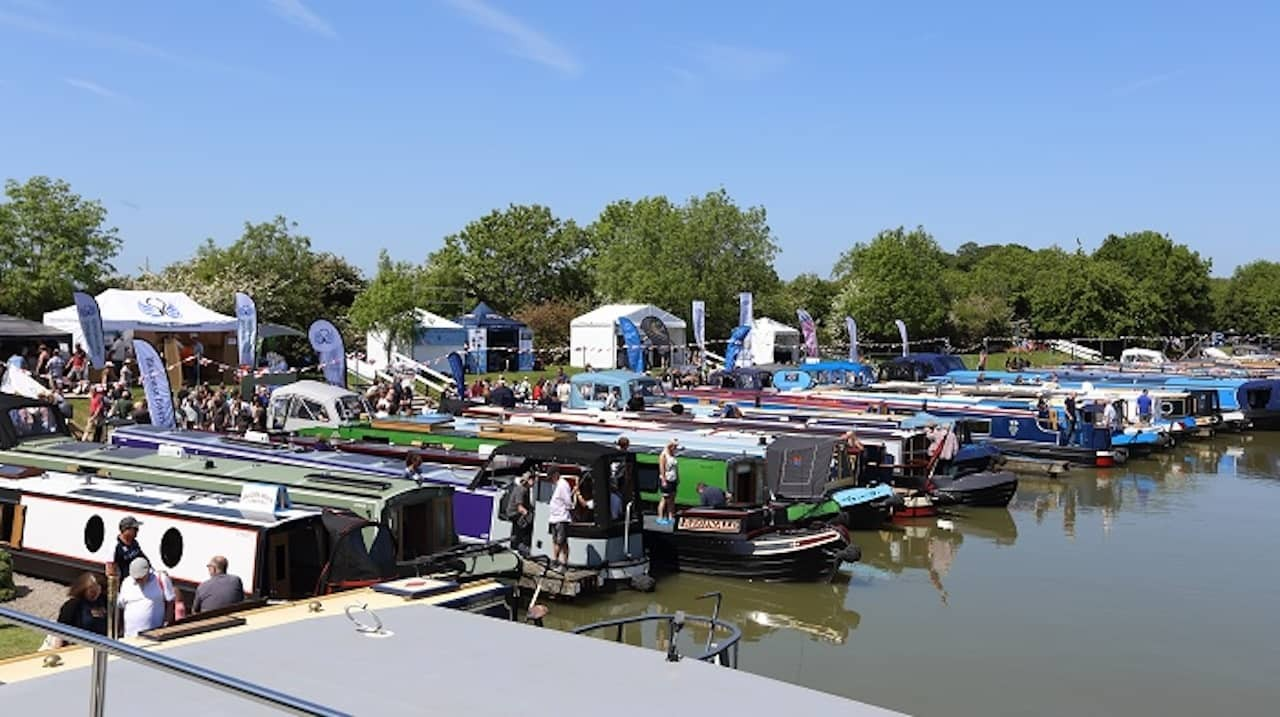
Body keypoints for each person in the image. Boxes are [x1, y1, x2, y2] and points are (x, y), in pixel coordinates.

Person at [117, 557, 175, 637]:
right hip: (130, 636)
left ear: (148, 572)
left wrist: (167, 624)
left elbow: (170, 601)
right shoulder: (126, 582)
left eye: (141, 578)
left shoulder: (161, 579)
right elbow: (121, 607)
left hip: (154, 635)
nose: (138, 580)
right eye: (136, 578)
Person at [52, 572, 108, 645]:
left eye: (98, 591)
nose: (95, 594)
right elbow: (60, 631)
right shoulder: (72, 605)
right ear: (83, 589)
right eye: (92, 592)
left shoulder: (104, 601)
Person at [546, 467, 574, 568]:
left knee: (560, 541)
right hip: (554, 518)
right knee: (557, 541)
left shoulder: (563, 485)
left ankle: (555, 560)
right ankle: (564, 562)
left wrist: (568, 508)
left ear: (556, 474)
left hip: (561, 517)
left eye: (551, 477)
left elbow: (568, 502)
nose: (551, 480)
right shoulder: (557, 485)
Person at [503, 472, 535, 554]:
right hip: (513, 513)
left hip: (518, 512)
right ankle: (521, 546)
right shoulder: (521, 489)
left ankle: (522, 545)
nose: (534, 481)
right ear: (528, 480)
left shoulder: (526, 489)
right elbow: (520, 507)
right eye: (532, 479)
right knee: (527, 524)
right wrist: (529, 515)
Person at [657, 439, 680, 524]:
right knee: (665, 499)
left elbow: (676, 467)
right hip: (666, 479)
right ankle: (660, 517)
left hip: (673, 479)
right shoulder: (663, 455)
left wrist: (678, 478)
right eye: (675, 446)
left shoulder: (673, 454)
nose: (676, 448)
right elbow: (662, 468)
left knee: (672, 498)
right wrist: (663, 480)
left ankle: (671, 516)